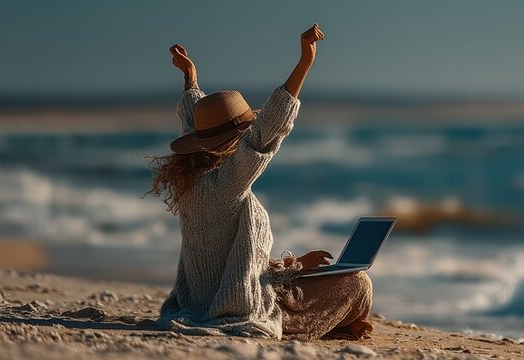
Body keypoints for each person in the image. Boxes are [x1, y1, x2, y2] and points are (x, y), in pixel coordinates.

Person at [146, 24, 374, 341]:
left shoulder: (194, 176)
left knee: (328, 278)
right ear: (236, 140)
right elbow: (265, 135)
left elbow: (192, 117)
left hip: (205, 298)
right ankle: (330, 326)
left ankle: (337, 324)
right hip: (236, 306)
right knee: (358, 283)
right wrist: (305, 63)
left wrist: (190, 77)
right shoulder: (226, 182)